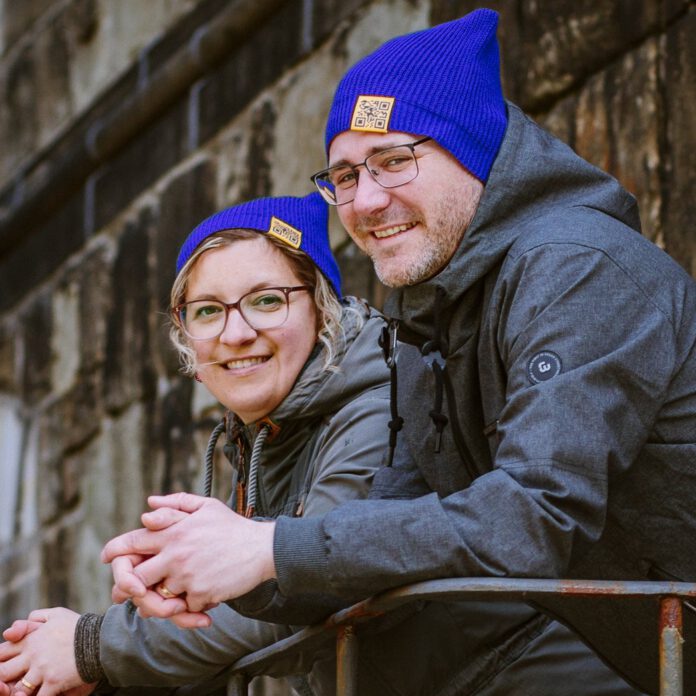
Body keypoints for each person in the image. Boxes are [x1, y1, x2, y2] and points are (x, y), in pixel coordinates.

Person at [99, 8, 696, 695]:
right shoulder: (431, 309)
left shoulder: (577, 265)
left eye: (393, 161)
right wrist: (190, 569)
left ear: (476, 150)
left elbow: (535, 514)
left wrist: (264, 547)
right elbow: (380, 534)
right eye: (345, 175)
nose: (365, 201)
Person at [0, 193, 392, 695]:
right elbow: (233, 616)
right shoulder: (266, 437)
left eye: (267, 301)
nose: (236, 332)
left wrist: (91, 647)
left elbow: (309, 588)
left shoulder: (379, 409)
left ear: (322, 309)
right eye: (207, 311)